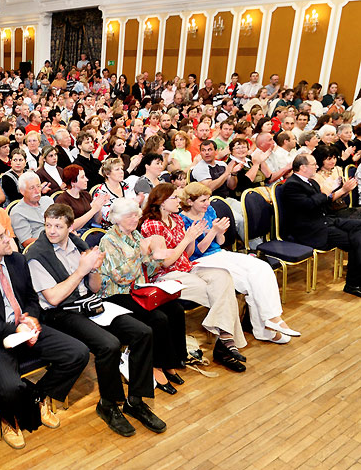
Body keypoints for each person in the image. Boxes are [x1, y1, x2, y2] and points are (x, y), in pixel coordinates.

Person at [26, 204, 168, 434]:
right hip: (60, 312)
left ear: (71, 227)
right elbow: (53, 298)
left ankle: (135, 400)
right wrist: (82, 270)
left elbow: (94, 287)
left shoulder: (78, 244)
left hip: (88, 304)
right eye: (48, 225)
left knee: (143, 332)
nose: (51, 231)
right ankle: (108, 405)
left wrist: (93, 271)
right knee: (108, 345)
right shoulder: (36, 254)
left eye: (58, 226)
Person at [0, 218, 89, 449]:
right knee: (9, 387)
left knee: (78, 353)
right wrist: (14, 328)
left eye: (5, 233)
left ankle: (39, 396)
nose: (8, 239)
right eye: (0, 238)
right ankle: (9, 418)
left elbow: (30, 298)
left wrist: (31, 318)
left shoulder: (17, 260)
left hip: (25, 328)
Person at [139, 183, 248, 372]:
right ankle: (225, 344)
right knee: (220, 293)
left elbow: (187, 255)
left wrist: (192, 238)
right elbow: (165, 262)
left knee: (223, 277)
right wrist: (187, 239)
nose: (179, 201)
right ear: (162, 203)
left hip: (186, 267)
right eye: (174, 197)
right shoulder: (153, 225)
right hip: (166, 276)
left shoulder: (177, 219)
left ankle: (224, 340)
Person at [179, 182, 299, 343]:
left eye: (208, 199)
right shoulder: (182, 219)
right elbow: (195, 252)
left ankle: (272, 318)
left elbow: (220, 242)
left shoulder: (209, 211)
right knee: (247, 281)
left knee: (262, 267)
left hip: (219, 253)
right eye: (203, 201)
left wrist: (219, 232)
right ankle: (264, 330)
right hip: (201, 261)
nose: (207, 203)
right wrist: (214, 231)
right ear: (189, 201)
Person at [97, 198, 189, 394]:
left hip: (137, 289)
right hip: (116, 294)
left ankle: (172, 360)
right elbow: (119, 276)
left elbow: (147, 265)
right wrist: (140, 254)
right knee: (157, 318)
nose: (135, 219)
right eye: (129, 216)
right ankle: (155, 366)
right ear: (117, 218)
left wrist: (156, 257)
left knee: (176, 309)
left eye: (136, 215)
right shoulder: (108, 240)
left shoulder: (135, 235)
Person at [280, 154, 361, 296]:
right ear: (303, 167)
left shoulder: (311, 182)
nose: (317, 166)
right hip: (310, 229)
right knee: (357, 241)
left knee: (358, 229)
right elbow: (308, 205)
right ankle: (353, 284)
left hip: (325, 220)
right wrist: (325, 192)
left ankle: (355, 279)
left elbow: (325, 204)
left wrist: (341, 191)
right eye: (313, 164)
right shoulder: (291, 185)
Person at [54, 164, 107, 232]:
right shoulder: (62, 200)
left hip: (91, 231)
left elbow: (97, 221)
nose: (86, 179)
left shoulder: (86, 195)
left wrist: (98, 207)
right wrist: (93, 210)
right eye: (82, 177)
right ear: (73, 182)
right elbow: (69, 227)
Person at [10, 172, 55, 247]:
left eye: (38, 186)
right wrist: (54, 237)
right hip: (40, 248)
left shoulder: (48, 201)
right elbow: (26, 242)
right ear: (22, 191)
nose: (37, 191)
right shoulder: (17, 212)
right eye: (32, 188)